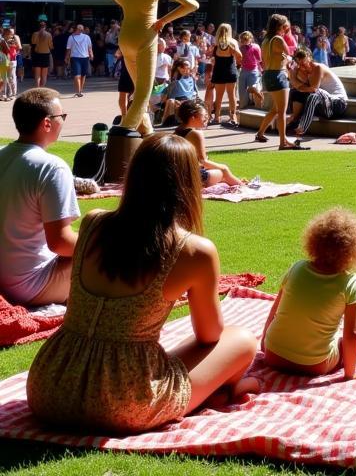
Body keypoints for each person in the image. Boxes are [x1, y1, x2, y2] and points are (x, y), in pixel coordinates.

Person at [26, 135, 259, 433]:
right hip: (124, 403)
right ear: (189, 183)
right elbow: (209, 335)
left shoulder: (93, 222)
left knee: (142, 350)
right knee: (241, 340)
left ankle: (215, 390)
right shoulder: (193, 251)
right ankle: (222, 390)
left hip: (50, 386)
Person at [261, 208, 356, 378]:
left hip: (273, 355)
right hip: (314, 365)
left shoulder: (296, 268)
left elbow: (273, 312)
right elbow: (352, 335)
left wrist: (264, 343)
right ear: (354, 250)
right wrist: (350, 375)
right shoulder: (351, 282)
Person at [96, 0, 200, 135]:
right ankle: (124, 130)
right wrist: (164, 20)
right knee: (144, 92)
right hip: (145, 38)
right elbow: (192, 4)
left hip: (125, 40)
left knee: (139, 90)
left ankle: (147, 133)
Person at [0, 89, 79, 306]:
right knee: (111, 252)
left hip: (5, 279)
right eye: (61, 117)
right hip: (28, 286)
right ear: (47, 123)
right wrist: (104, 241)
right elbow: (60, 242)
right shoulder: (52, 167)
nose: (63, 121)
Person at [255, 15, 304, 149]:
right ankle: (283, 142)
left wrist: (286, 59)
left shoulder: (266, 40)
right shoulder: (278, 39)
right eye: (285, 26)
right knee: (282, 111)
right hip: (278, 75)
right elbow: (290, 53)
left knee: (276, 109)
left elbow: (282, 56)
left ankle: (260, 133)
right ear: (280, 27)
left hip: (268, 74)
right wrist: (288, 34)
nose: (287, 28)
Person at [173, 102, 244, 188]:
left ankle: (236, 181)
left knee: (220, 173)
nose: (207, 118)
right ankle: (242, 186)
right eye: (204, 116)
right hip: (190, 179)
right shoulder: (195, 134)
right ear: (193, 117)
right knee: (223, 171)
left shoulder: (176, 131)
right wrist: (224, 169)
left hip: (177, 176)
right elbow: (203, 161)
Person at [286, 47, 349, 138]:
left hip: (338, 103)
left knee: (314, 94)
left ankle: (302, 128)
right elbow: (298, 87)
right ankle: (294, 120)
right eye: (299, 64)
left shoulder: (318, 68)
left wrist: (293, 76)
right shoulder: (303, 70)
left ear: (310, 58)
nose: (301, 66)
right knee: (296, 92)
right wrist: (292, 73)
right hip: (325, 104)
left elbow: (312, 89)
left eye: (304, 63)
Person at [210, 23, 242, 128]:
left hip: (218, 70)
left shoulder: (216, 43)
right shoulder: (233, 42)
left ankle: (217, 117)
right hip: (230, 70)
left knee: (218, 96)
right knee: (232, 95)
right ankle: (233, 116)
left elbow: (211, 56)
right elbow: (239, 56)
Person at [161, 58, 199, 124]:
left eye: (188, 68)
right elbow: (166, 97)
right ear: (179, 68)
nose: (187, 70)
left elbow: (195, 93)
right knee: (171, 102)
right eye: (184, 68)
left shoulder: (191, 79)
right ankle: (169, 120)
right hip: (176, 102)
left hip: (188, 101)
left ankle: (170, 120)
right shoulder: (174, 82)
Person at [64, 23, 93, 97]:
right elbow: (68, 49)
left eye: (82, 28)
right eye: (79, 28)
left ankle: (80, 90)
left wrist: (91, 54)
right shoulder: (71, 37)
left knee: (83, 75)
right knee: (77, 75)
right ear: (76, 29)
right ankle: (78, 92)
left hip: (85, 58)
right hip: (75, 58)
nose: (81, 29)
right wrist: (67, 57)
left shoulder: (87, 37)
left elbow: (89, 47)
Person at [238, 30, 263, 110]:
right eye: (242, 39)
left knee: (254, 88)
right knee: (242, 90)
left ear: (250, 39)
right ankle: (243, 107)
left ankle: (258, 106)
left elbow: (259, 59)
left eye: (245, 39)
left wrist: (261, 69)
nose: (243, 41)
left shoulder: (255, 47)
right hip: (243, 70)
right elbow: (239, 59)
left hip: (253, 70)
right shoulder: (241, 47)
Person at [30, 19, 53, 87]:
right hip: (45, 54)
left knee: (37, 75)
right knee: (44, 75)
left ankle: (37, 88)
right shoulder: (49, 35)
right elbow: (51, 46)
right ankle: (42, 88)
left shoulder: (35, 34)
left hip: (37, 54)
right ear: (45, 27)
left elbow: (33, 43)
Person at [1, 25, 21, 100]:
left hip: (11, 60)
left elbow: (19, 48)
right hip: (3, 60)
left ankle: (12, 94)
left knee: (11, 77)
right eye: (10, 33)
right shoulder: (2, 40)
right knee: (4, 78)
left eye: (12, 33)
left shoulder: (15, 38)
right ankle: (3, 94)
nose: (12, 35)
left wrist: (14, 49)